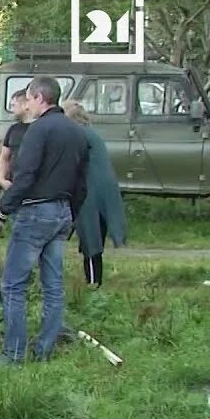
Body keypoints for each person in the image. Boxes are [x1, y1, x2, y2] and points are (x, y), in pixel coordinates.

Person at [0, 76, 89, 364]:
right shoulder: (77, 132)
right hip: (62, 212)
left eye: (29, 99)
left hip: (35, 213)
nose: (27, 105)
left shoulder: (37, 131)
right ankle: (44, 349)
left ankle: (14, 353)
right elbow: (83, 183)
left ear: (39, 98)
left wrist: (2, 212)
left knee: (13, 285)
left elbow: (25, 176)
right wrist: (72, 216)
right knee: (53, 285)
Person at [61, 100, 126, 287]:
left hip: (91, 193)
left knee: (91, 241)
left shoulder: (79, 135)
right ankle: (94, 282)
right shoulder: (91, 133)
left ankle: (92, 284)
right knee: (95, 241)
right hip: (104, 191)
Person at [0, 89, 31, 191]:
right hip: (13, 185)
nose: (11, 110)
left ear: (25, 104)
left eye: (13, 105)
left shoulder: (40, 128)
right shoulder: (13, 129)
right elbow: (4, 157)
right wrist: (2, 180)